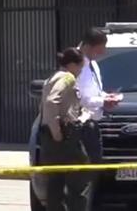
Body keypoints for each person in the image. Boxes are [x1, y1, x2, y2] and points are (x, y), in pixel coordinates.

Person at [40, 47, 91, 211]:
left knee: (55, 182)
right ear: (72, 65)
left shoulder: (52, 77)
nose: (80, 72)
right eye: (80, 68)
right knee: (80, 179)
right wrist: (57, 132)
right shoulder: (67, 77)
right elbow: (51, 102)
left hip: (52, 138)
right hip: (65, 137)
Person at [76, 28, 122, 163]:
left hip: (95, 124)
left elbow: (94, 91)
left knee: (95, 165)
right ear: (88, 47)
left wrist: (107, 97)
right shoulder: (76, 65)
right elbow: (81, 98)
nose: (103, 52)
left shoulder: (93, 64)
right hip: (81, 125)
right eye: (100, 49)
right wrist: (103, 101)